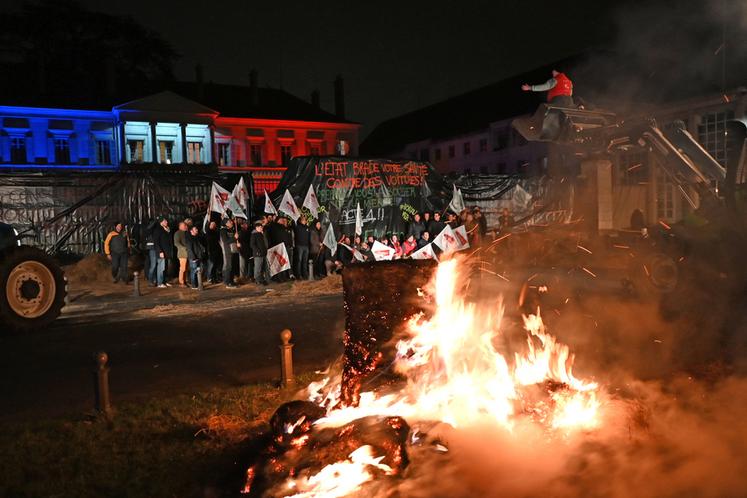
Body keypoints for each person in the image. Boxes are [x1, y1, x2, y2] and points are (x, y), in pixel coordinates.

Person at [153, 217, 173, 288]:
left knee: (166, 268)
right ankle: (160, 282)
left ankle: (165, 281)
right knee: (161, 268)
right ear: (161, 222)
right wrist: (160, 251)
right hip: (161, 252)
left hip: (167, 251)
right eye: (165, 221)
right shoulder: (158, 230)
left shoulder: (167, 229)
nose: (167, 222)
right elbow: (156, 242)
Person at [220, 219, 238, 288]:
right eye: (230, 222)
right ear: (226, 223)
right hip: (227, 251)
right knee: (228, 266)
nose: (232, 222)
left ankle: (231, 281)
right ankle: (227, 282)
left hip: (233, 250)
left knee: (232, 266)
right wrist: (234, 238)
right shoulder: (223, 231)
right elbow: (226, 241)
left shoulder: (231, 230)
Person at [250, 221, 269, 286]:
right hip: (258, 254)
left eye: (262, 227)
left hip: (264, 253)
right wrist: (258, 251)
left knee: (263, 267)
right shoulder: (254, 235)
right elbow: (252, 244)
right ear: (256, 228)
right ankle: (257, 280)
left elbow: (265, 243)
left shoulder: (262, 234)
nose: (261, 228)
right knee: (258, 267)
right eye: (260, 227)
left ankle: (262, 279)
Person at [173, 221, 189, 287]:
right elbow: (176, 243)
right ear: (180, 226)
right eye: (183, 225)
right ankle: (181, 282)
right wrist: (183, 248)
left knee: (186, 268)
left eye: (185, 225)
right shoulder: (177, 233)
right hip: (182, 253)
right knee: (183, 268)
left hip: (188, 253)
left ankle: (185, 281)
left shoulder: (186, 233)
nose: (185, 226)